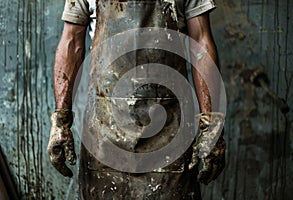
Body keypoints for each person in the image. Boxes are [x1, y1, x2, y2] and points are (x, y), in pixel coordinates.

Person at [47, 0, 226, 199]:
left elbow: (200, 42)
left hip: (169, 131)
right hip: (105, 132)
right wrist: (61, 121)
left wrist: (211, 125)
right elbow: (71, 42)